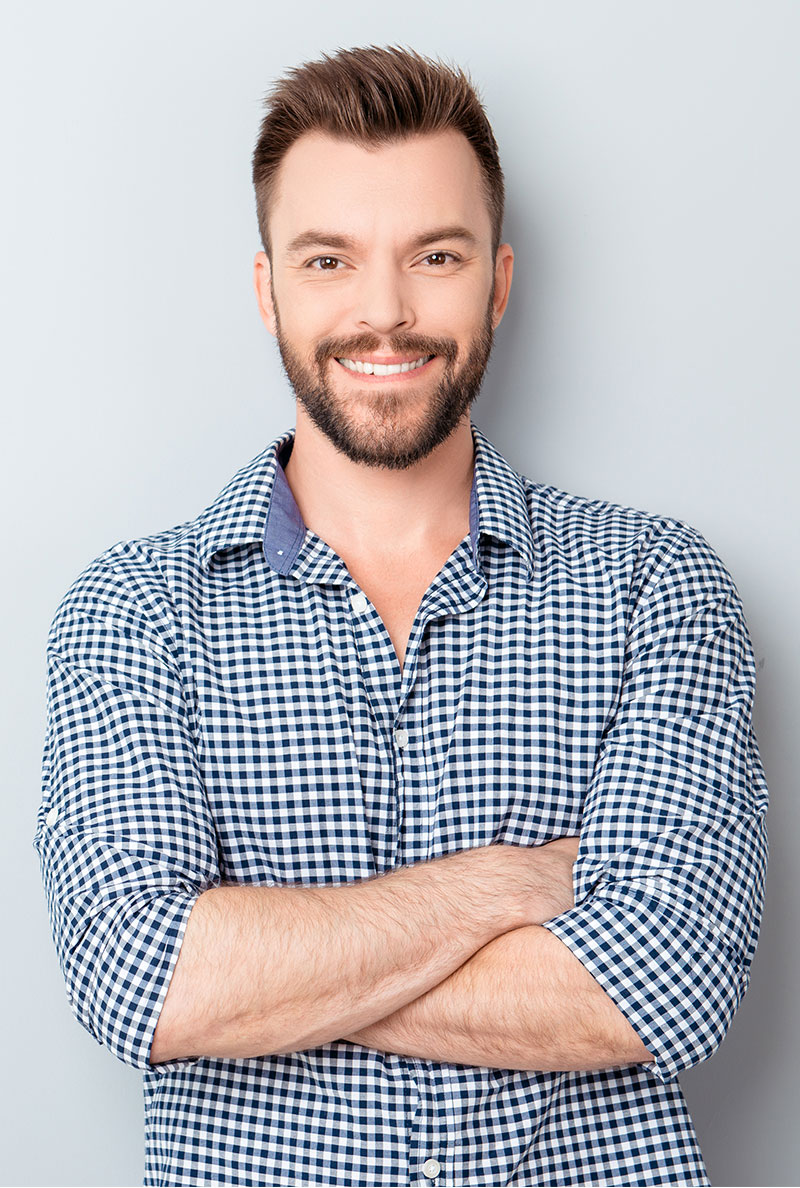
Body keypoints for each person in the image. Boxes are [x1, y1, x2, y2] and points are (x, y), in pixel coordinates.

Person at [35, 45, 768, 1188]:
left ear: (498, 280)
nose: (384, 314)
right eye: (329, 259)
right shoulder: (133, 613)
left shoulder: (651, 585)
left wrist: (270, 974)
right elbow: (141, 980)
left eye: (434, 255)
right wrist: (504, 889)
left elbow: (663, 982)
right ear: (269, 286)